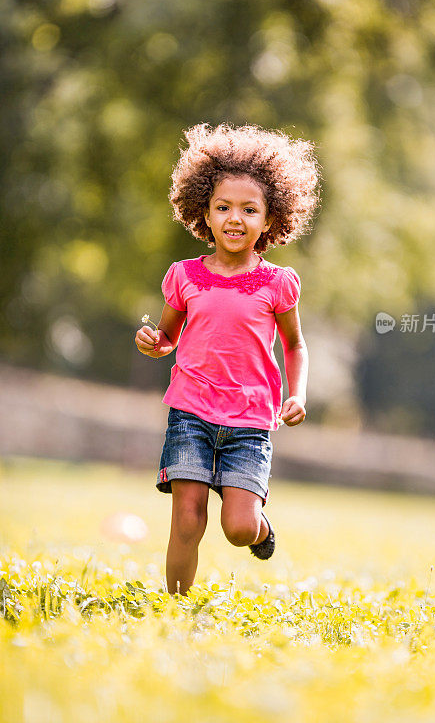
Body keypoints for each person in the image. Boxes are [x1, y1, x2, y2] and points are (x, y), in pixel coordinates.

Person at [134, 122, 321, 596]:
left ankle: (261, 529)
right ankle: (175, 609)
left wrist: (296, 394)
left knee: (237, 528)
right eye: (223, 207)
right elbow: (168, 337)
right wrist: (153, 342)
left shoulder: (278, 283)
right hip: (191, 411)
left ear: (270, 220)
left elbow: (295, 344)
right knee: (187, 518)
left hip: (250, 421)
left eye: (249, 209)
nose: (234, 218)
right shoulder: (185, 276)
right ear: (206, 213)